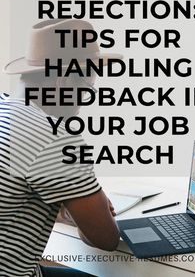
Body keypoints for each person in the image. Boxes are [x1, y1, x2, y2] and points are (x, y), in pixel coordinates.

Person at [0, 19, 122, 277]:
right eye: (88, 87)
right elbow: (106, 239)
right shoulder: (53, 137)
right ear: (65, 82)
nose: (85, 98)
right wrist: (82, 215)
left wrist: (68, 201)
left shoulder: (5, 107)